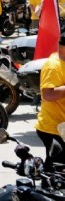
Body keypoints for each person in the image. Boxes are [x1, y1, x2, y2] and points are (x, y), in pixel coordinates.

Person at [34, 33, 65, 170]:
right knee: (58, 168)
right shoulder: (53, 66)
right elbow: (47, 95)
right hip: (52, 128)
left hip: (62, 126)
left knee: (54, 166)